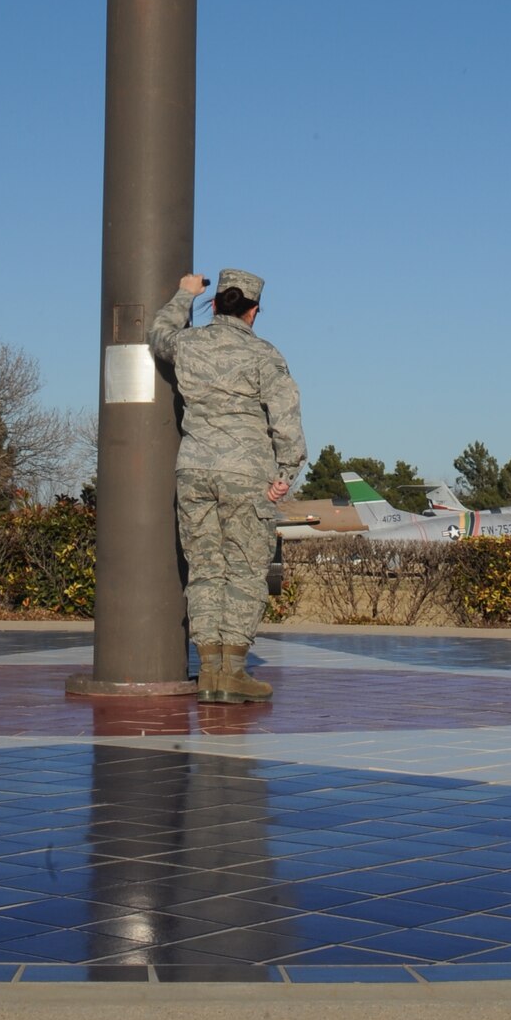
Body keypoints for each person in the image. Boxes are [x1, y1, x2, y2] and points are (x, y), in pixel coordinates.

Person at [148, 268, 306, 704]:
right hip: (247, 474)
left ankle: (209, 672)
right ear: (254, 312)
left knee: (204, 570)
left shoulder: (188, 344)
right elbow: (287, 422)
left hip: (194, 470)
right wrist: (284, 476)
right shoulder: (264, 355)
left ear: (215, 304)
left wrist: (183, 295)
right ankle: (233, 673)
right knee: (245, 570)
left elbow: (158, 334)